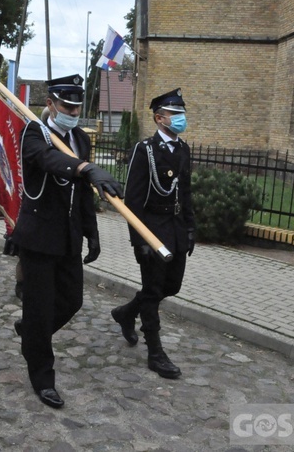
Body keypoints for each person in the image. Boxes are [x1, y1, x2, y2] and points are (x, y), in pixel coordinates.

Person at [11, 74, 123, 409]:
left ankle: (31, 332)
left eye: (76, 107)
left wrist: (92, 231)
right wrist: (85, 168)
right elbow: (47, 160)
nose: (72, 112)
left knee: (71, 301)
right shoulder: (35, 132)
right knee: (40, 307)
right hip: (39, 237)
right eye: (66, 106)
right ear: (50, 104)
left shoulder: (79, 139)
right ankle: (42, 376)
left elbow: (85, 194)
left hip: (69, 236)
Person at [110, 88, 195, 380]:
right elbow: (132, 200)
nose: (181, 118)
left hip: (176, 230)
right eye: (175, 114)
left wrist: (191, 228)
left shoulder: (183, 149)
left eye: (183, 113)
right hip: (152, 231)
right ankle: (155, 352)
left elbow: (185, 192)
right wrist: (139, 241)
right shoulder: (144, 150)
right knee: (153, 289)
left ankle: (125, 312)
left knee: (171, 287)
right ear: (160, 119)